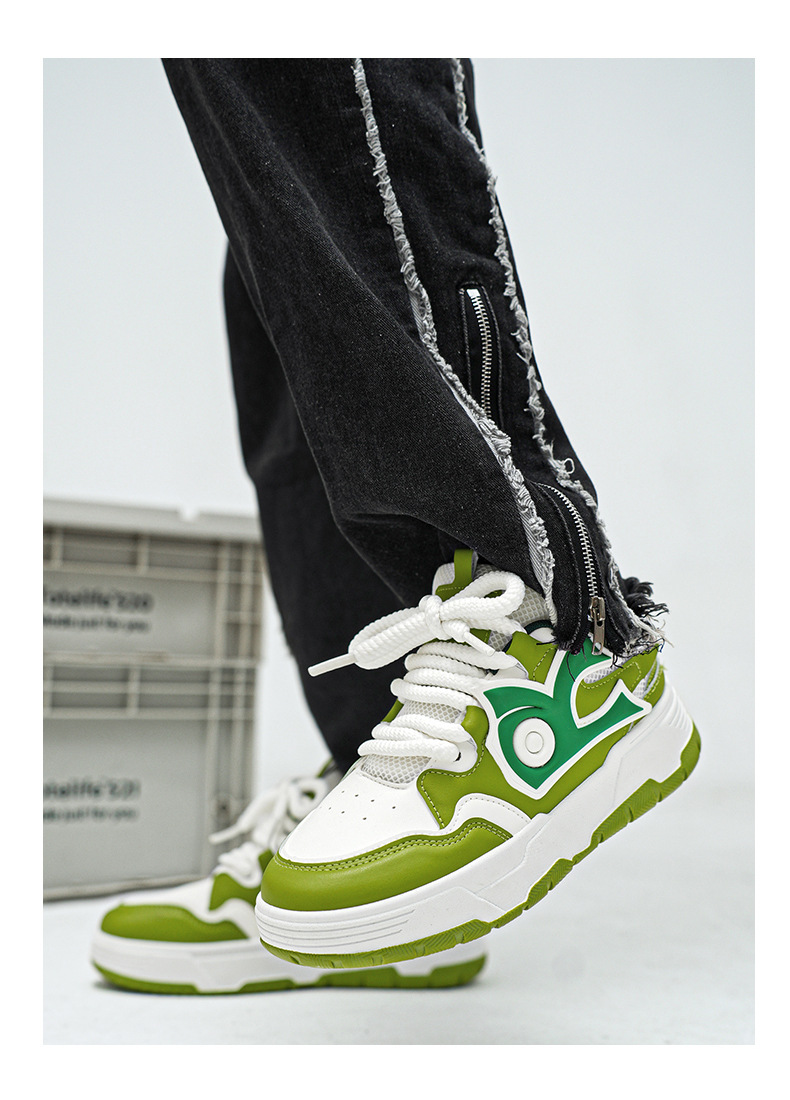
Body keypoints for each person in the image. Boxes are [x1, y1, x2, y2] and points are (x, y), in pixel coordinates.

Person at [91, 59, 699, 993]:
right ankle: (378, 750)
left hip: (551, 628)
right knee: (282, 226)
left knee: (320, 87)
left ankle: (556, 635)